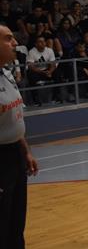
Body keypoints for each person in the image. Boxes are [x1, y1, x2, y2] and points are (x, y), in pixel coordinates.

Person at [0, 24, 39, 248]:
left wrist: (25, 151)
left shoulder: (7, 74)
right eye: (8, 39)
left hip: (15, 154)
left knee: (16, 220)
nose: (15, 43)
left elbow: (14, 119)